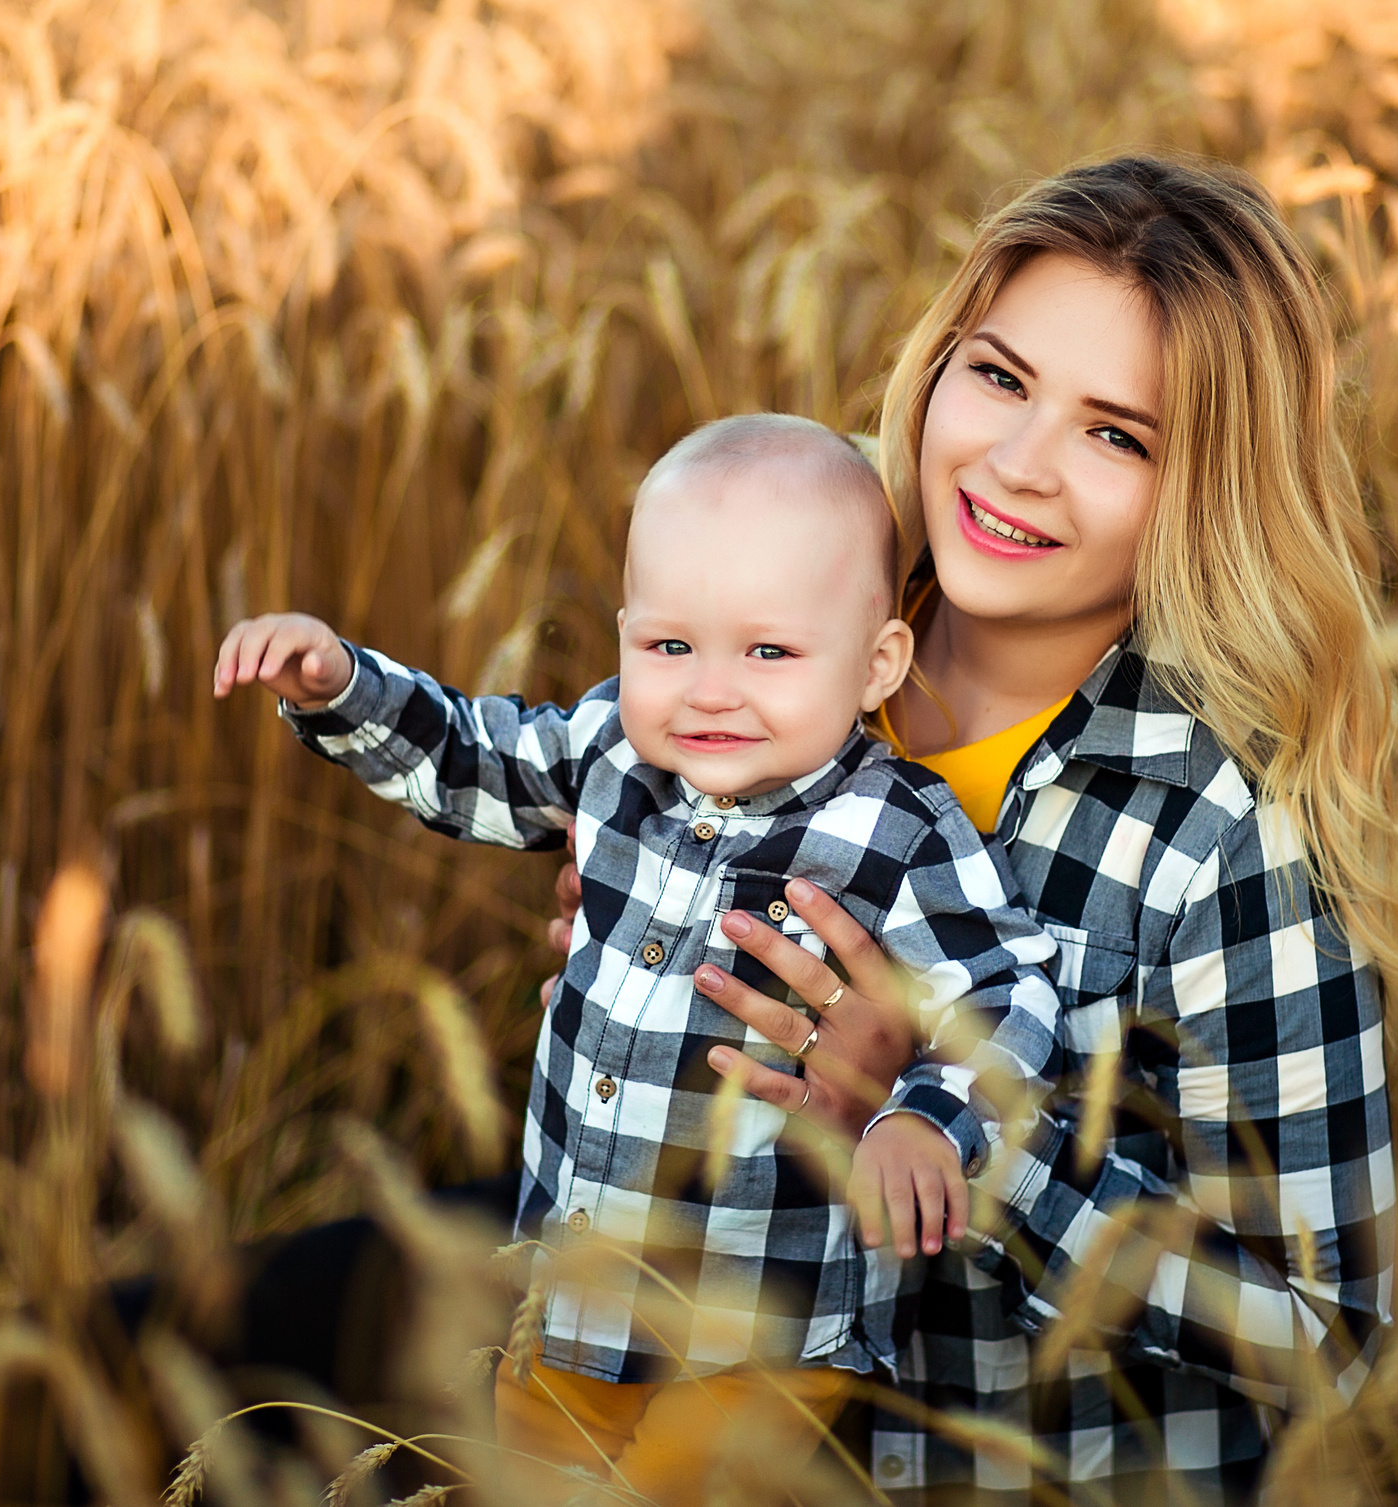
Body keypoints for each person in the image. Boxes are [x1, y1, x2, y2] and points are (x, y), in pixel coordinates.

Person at [546, 156, 1398, 1506]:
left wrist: (966, 1134)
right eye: (1003, 377)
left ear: (1204, 485)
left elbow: (1329, 1338)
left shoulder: (1212, 844)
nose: (1019, 464)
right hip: (659, 1408)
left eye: (1118, 434)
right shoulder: (782, 635)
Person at [213, 415, 1065, 1506]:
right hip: (572, 1305)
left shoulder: (895, 832)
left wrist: (918, 1119)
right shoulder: (614, 748)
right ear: (624, 637)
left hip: (759, 1325)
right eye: (669, 646)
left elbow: (1001, 995)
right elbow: (475, 758)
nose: (709, 689)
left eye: (767, 651)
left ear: (875, 664)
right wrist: (339, 687)